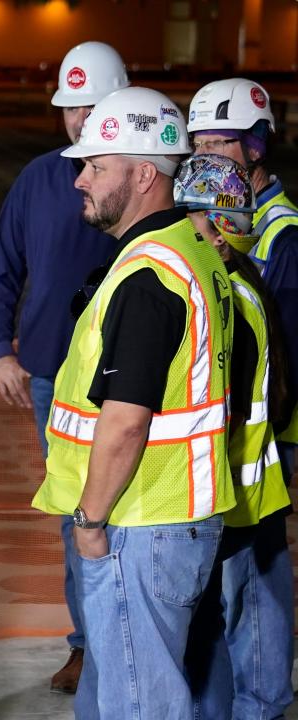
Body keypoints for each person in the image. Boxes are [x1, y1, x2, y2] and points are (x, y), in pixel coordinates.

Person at [31, 86, 235, 719]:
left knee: (139, 704)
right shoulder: (193, 250)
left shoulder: (149, 276)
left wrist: (90, 523)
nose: (79, 181)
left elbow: (124, 421)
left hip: (139, 520)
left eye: (95, 166)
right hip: (174, 515)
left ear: (144, 174)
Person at [0, 40, 127, 692]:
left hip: (126, 374)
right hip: (49, 376)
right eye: (71, 107)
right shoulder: (40, 179)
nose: (79, 117)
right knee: (79, 512)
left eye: (92, 104)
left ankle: (127, 640)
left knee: (127, 510)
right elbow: (1, 267)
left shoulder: (138, 180)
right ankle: (86, 645)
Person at [186, 79, 297, 719]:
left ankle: (261, 705)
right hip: (242, 445)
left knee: (257, 582)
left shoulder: (280, 236)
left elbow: (285, 353)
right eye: (197, 142)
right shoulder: (226, 219)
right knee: (234, 585)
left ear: (255, 146)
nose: (206, 154)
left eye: (220, 142)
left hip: (269, 442)